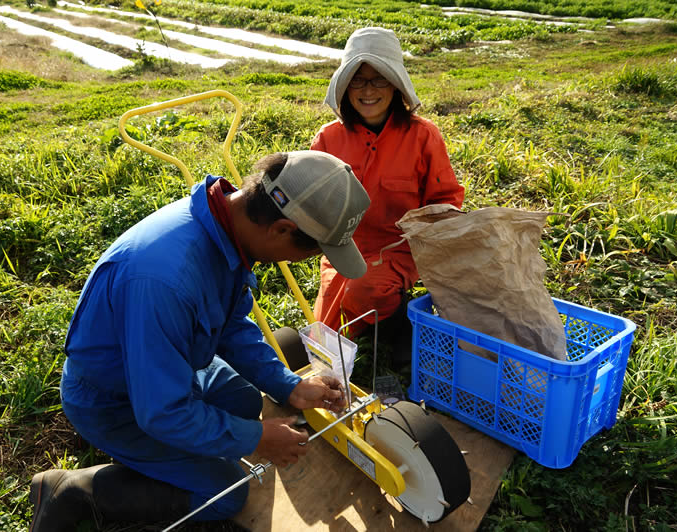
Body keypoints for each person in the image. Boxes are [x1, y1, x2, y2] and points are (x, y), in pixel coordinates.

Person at [29, 151, 370, 531]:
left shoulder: (226, 226)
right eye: (312, 252)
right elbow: (161, 411)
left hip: (178, 366)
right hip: (114, 401)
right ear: (282, 230)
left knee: (243, 400)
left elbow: (230, 326)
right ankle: (74, 490)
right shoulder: (164, 279)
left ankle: (168, 458)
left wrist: (288, 385)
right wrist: (255, 438)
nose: (306, 260)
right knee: (226, 493)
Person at [311, 27, 465, 347]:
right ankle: (371, 324)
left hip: (401, 250)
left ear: (395, 85)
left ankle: (397, 329)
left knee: (364, 289)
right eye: (358, 79)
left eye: (379, 78)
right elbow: (311, 201)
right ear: (345, 85)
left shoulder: (423, 136)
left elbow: (446, 198)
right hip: (344, 249)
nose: (368, 90)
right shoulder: (328, 139)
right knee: (324, 333)